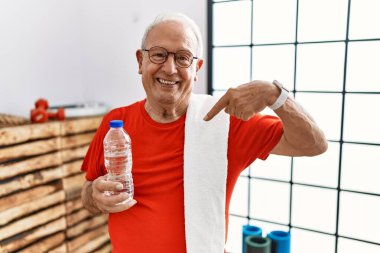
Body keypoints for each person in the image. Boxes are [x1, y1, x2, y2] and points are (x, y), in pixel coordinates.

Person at [81, 12, 327, 253]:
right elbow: (87, 194)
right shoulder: (116, 124)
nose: (169, 68)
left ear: (197, 68)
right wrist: (94, 195)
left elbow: (314, 144)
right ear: (140, 61)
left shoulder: (225, 122)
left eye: (183, 58)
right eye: (158, 55)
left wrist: (275, 95)